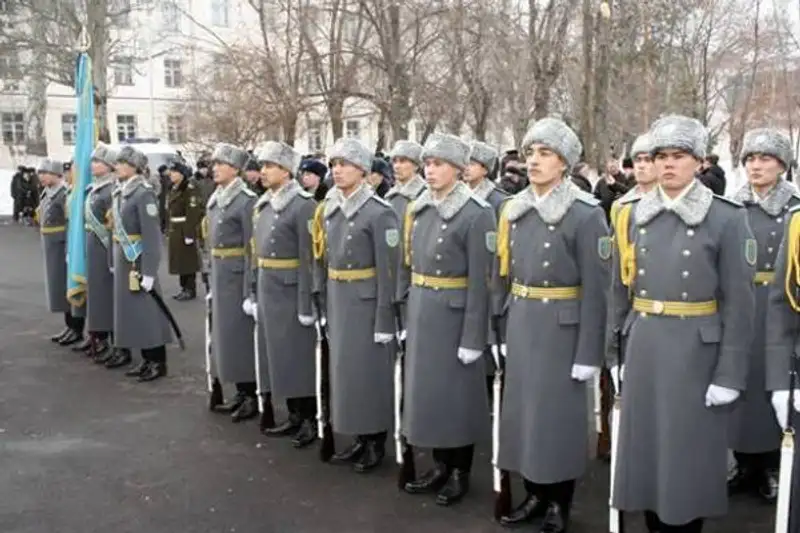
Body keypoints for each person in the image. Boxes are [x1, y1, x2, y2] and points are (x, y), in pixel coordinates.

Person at [609, 115, 756, 533]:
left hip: (696, 352)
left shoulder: (726, 217)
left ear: (699, 162)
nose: (668, 164)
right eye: (661, 156)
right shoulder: (632, 214)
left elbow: (739, 304)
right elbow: (619, 289)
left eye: (679, 156)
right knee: (647, 452)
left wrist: (729, 374)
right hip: (645, 344)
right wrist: (615, 353)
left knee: (686, 457)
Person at [492, 119, 609, 532]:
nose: (534, 161)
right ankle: (535, 493)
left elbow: (598, 290)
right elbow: (503, 273)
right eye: (531, 153)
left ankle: (560, 501)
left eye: (545, 154)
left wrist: (589, 352)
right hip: (524, 321)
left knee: (556, 419)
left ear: (565, 163)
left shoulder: (585, 214)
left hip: (563, 329)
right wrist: (501, 327)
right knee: (525, 415)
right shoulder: (515, 209)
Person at [399, 133, 496, 506]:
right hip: (424, 311)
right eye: (427, 164)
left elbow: (481, 282)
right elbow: (410, 267)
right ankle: (440, 463)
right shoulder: (420, 208)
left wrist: (474, 336)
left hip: (455, 317)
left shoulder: (476, 213)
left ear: (457, 169)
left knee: (457, 397)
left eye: (438, 164)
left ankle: (459, 470)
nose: (430, 170)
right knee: (430, 395)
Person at [311, 137, 399, 473]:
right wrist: (321, 301)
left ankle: (375, 439)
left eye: (345, 164)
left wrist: (385, 319)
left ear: (362, 170)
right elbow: (323, 260)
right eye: (334, 164)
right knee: (345, 373)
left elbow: (388, 272)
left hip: (366, 303)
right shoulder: (331, 209)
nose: (337, 170)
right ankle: (360, 436)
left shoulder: (379, 212)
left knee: (368, 373)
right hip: (338, 299)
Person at [728, 129, 800, 502]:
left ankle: (772, 465)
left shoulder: (795, 209)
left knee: (774, 385)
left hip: (779, 306)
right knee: (740, 385)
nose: (756, 166)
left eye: (765, 159)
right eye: (750, 159)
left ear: (782, 166)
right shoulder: (732, 207)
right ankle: (744, 464)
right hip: (741, 305)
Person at [252, 141, 318, 447]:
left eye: (270, 166)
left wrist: (307, 303)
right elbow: (255, 251)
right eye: (263, 166)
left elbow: (309, 258)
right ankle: (293, 413)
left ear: (287, 171)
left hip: (291, 291)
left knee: (298, 356)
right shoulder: (265, 203)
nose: (263, 171)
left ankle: (309, 418)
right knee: (277, 355)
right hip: (269, 287)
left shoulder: (304, 205)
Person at [109, 146, 173, 381]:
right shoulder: (121, 191)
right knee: (134, 311)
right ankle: (146, 358)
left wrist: (149, 271)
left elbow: (152, 236)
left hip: (138, 259)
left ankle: (157, 360)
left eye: (122, 163)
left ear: (134, 167)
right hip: (125, 258)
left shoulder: (143, 193)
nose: (117, 167)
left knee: (148, 311)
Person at [206, 143, 260, 421]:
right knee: (225, 336)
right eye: (214, 164)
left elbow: (253, 247)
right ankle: (240, 390)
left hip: (237, 275)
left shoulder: (246, 200)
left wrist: (251, 287)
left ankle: (251, 392)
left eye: (221, 164)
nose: (215, 168)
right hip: (220, 272)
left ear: (235, 169)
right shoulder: (216, 197)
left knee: (240, 337)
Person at [37, 159, 83, 346]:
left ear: (57, 175)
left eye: (45, 173)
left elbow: (70, 223)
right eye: (40, 173)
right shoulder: (47, 193)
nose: (41, 177)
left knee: (68, 286)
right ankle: (69, 326)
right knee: (58, 288)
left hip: (62, 245)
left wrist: (69, 249)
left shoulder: (64, 194)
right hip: (51, 246)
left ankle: (76, 327)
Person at [81, 143, 118, 363]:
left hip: (105, 248)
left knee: (107, 294)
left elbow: (113, 224)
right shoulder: (94, 188)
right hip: (93, 246)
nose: (93, 165)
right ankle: (99, 334)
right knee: (96, 293)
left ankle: (112, 338)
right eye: (93, 161)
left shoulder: (110, 190)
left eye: (98, 161)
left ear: (110, 165)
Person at [386, 140, 426, 320]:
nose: (397, 166)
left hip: (415, 272)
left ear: (416, 166)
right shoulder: (390, 197)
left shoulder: (424, 196)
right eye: (394, 161)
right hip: (392, 270)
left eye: (403, 161)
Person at [166, 160, 203, 301]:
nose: (171, 174)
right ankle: (183, 288)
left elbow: (193, 211)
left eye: (174, 172)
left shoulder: (189, 188)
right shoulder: (174, 188)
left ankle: (190, 288)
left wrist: (189, 233)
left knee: (188, 261)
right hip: (175, 229)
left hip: (184, 228)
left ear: (181, 174)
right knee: (179, 261)